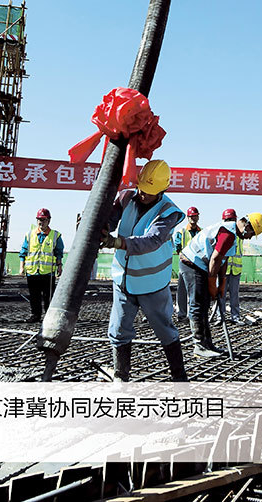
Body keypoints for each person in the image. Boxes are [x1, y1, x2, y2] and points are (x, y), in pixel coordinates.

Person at [101, 160, 188, 380]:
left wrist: (117, 243)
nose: (142, 195)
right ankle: (121, 377)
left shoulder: (169, 212)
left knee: (165, 330)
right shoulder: (127, 197)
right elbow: (110, 219)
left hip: (152, 284)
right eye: (141, 188)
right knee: (119, 330)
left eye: (149, 192)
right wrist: (99, 227)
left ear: (162, 190)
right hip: (123, 280)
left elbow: (152, 240)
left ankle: (179, 377)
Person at [180, 205, 262, 357]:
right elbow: (215, 259)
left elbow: (223, 260)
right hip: (192, 262)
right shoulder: (228, 233)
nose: (250, 238)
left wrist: (222, 283)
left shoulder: (233, 234)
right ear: (247, 226)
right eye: (252, 234)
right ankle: (199, 346)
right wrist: (212, 284)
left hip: (202, 264)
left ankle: (207, 344)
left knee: (205, 304)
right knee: (198, 303)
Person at [20, 208, 63, 322]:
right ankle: (36, 315)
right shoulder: (29, 235)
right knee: (34, 295)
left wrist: (59, 266)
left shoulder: (55, 236)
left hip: (47, 272)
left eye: (43, 220)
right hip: (33, 270)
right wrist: (22, 267)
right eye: (39, 219)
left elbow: (59, 253)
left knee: (48, 296)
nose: (41, 222)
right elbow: (23, 251)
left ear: (48, 221)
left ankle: (49, 317)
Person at [172, 207, 200, 321]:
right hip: (184, 263)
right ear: (188, 218)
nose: (193, 218)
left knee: (195, 290)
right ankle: (182, 314)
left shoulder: (201, 232)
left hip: (197, 264)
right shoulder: (181, 232)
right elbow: (178, 247)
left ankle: (193, 314)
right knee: (182, 289)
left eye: (195, 216)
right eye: (191, 216)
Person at [221, 208, 243, 325]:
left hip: (235, 269)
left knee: (234, 295)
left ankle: (235, 316)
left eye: (232, 220)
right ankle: (221, 316)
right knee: (221, 294)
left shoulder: (239, 234)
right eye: (228, 220)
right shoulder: (221, 233)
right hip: (223, 269)